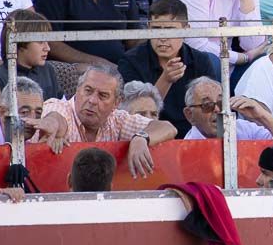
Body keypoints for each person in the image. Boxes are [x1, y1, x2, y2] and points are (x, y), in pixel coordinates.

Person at [28, 65, 177, 177]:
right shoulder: (59, 107)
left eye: (103, 95)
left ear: (117, 103)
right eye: (88, 91)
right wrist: (53, 125)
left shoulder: (117, 119)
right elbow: (56, 117)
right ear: (77, 90)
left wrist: (141, 138)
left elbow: (167, 127)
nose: (92, 100)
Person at [118, 0, 221, 138]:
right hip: (147, 138)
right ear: (148, 28)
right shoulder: (130, 61)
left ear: (186, 30)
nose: (163, 38)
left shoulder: (200, 60)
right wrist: (165, 80)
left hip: (192, 137)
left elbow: (212, 109)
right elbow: (133, 115)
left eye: (170, 30)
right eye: (156, 29)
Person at [181, 76, 273, 140]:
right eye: (207, 105)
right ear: (190, 115)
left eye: (221, 103)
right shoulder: (187, 146)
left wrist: (262, 116)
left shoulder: (244, 129)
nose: (217, 110)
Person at [0, 8, 57, 100]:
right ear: (20, 43)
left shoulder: (48, 70)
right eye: (40, 41)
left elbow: (60, 104)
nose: (47, 48)